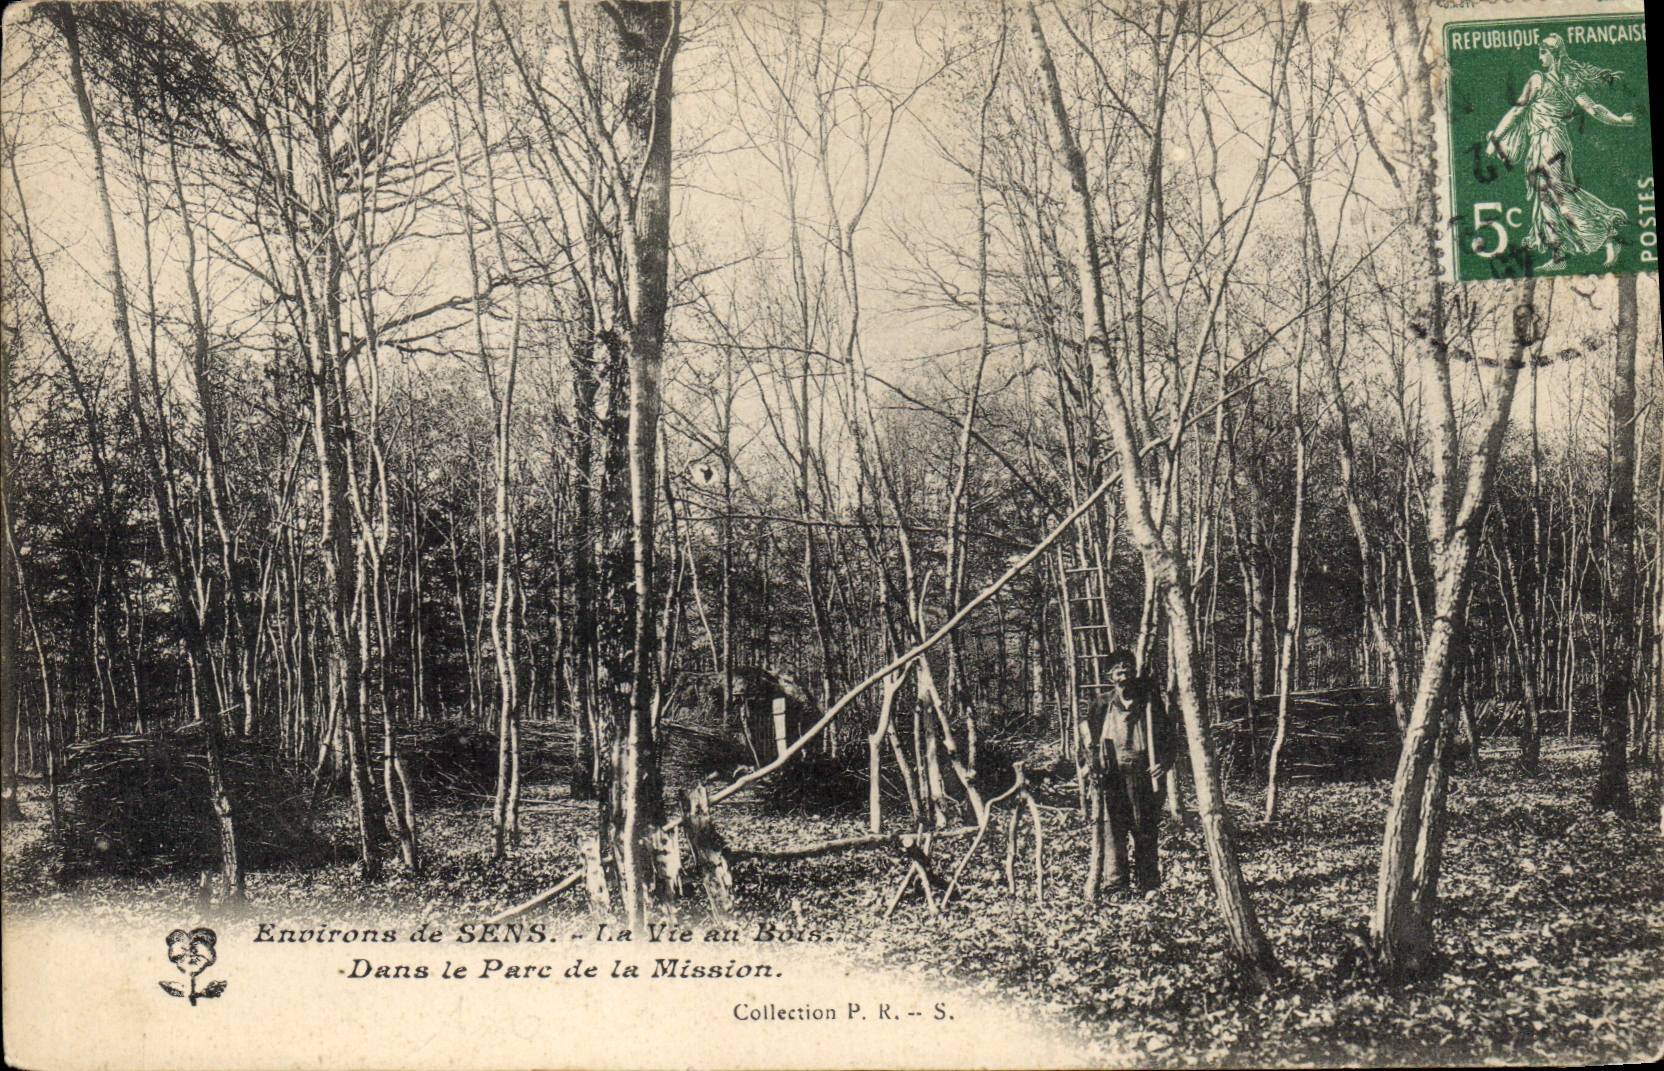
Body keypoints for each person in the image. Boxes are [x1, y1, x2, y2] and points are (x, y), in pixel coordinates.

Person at [1486, 34, 1636, 270]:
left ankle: (1606, 235)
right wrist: (1619, 120)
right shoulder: (1560, 80)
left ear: (1554, 53)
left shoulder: (1546, 80)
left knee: (1559, 192)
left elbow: (1517, 111)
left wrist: (1496, 137)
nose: (1539, 56)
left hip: (1552, 141)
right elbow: (1593, 109)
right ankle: (1559, 253)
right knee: (1545, 195)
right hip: (1540, 142)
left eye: (1543, 52)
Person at [1088, 651, 1176, 892]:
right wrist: (1095, 767)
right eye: (1118, 671)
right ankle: (1116, 885)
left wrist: (1163, 763)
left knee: (1145, 828)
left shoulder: (1149, 703)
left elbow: (1169, 738)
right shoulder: (1101, 704)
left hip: (1144, 775)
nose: (1124, 675)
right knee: (1114, 829)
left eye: (1128, 670)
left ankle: (1148, 883)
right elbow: (1091, 742)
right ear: (1110, 677)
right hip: (1113, 775)